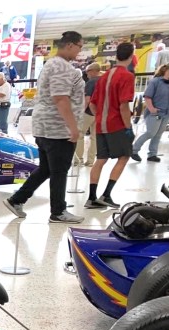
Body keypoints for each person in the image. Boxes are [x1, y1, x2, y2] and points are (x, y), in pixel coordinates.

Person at [4, 31, 85, 224]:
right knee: (59, 171)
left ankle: (17, 200)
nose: (80, 51)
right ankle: (58, 211)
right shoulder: (61, 66)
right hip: (57, 128)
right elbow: (60, 98)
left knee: (46, 169)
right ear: (70, 45)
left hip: (46, 126)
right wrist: (73, 127)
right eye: (80, 47)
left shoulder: (52, 64)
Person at [85, 42, 135, 209]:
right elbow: (123, 105)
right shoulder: (127, 76)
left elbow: (92, 104)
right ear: (131, 56)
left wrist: (100, 117)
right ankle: (106, 195)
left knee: (100, 159)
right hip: (116, 125)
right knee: (124, 156)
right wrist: (128, 127)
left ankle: (92, 198)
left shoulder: (104, 76)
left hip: (101, 125)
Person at [131, 64, 169, 163]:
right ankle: (134, 150)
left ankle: (152, 154)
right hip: (155, 112)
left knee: (158, 134)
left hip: (166, 113)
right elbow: (147, 96)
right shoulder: (155, 82)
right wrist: (152, 109)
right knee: (150, 132)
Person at [74, 62, 101, 166]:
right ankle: (90, 161)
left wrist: (81, 111)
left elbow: (87, 99)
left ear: (93, 71)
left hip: (88, 112)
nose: (87, 74)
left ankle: (78, 159)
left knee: (80, 135)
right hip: (99, 113)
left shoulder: (91, 82)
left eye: (88, 71)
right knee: (94, 137)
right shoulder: (104, 81)